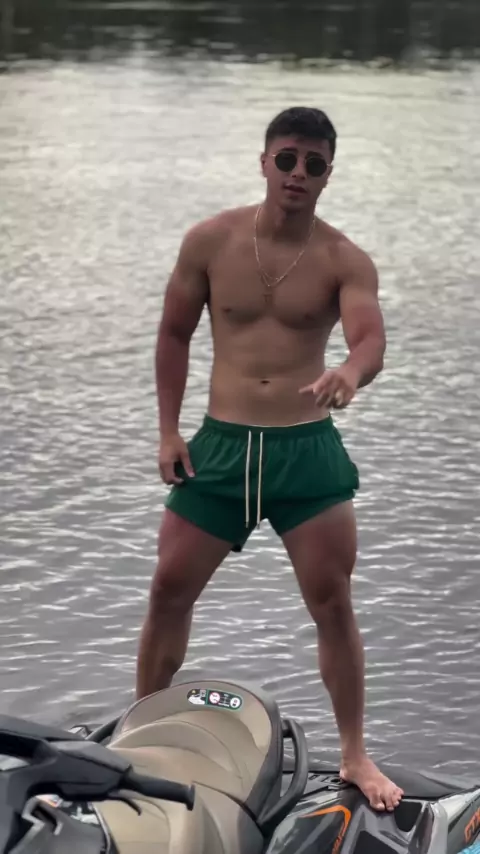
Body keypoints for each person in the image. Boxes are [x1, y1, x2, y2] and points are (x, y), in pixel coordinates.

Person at [136, 106, 404, 812]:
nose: (297, 173)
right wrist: (168, 432)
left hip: (304, 450)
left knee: (333, 603)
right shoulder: (211, 241)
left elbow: (371, 339)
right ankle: (139, 733)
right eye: (287, 158)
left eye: (314, 164)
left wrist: (350, 372)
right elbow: (172, 334)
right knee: (168, 590)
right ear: (264, 162)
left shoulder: (344, 259)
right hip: (220, 448)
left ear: (327, 175)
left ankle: (355, 754)